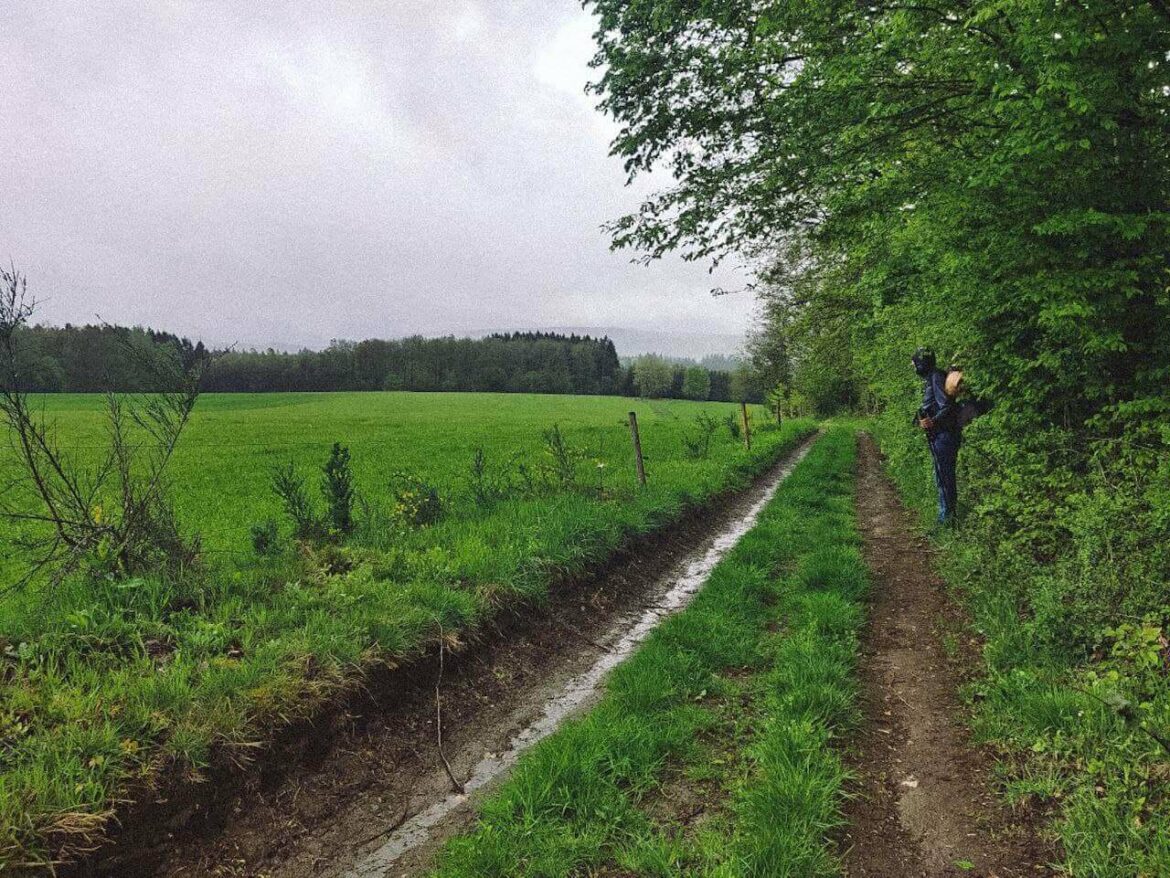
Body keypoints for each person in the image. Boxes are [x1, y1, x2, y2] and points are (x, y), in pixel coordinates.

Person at [911, 348, 960, 525]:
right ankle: (946, 517)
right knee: (942, 476)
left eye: (914, 363)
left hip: (944, 436)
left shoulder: (936, 377)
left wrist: (932, 421)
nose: (913, 367)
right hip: (940, 435)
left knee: (944, 476)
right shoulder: (932, 377)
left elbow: (946, 406)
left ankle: (946, 519)